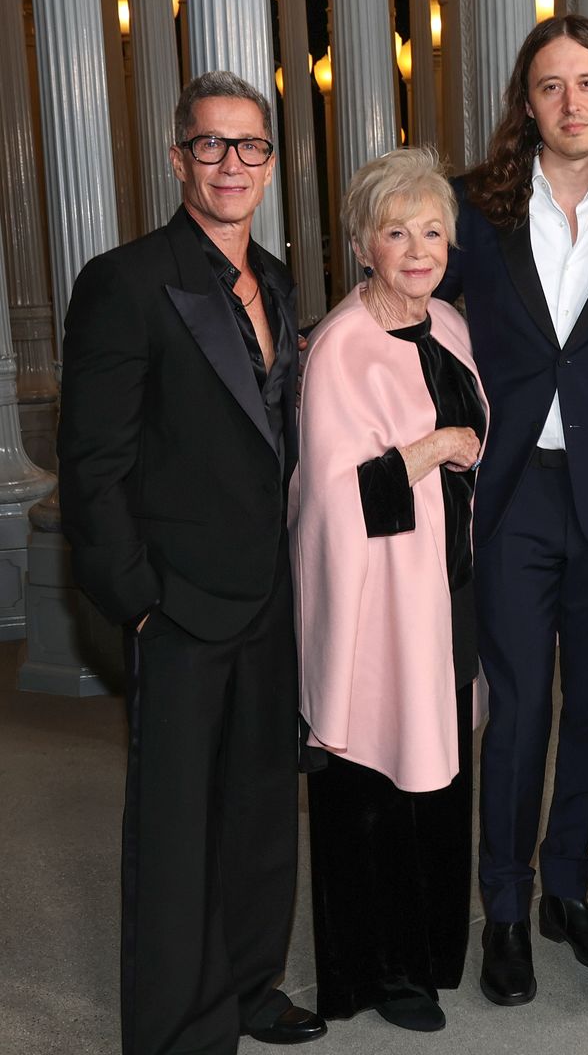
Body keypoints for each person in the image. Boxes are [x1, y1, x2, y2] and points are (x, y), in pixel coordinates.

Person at [58, 72, 325, 1053]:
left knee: (259, 812)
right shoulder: (125, 281)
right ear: (179, 160)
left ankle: (252, 987)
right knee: (174, 835)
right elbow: (94, 461)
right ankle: (179, 1030)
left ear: (269, 164)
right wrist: (135, 602)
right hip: (175, 605)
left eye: (249, 146)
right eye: (210, 146)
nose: (231, 164)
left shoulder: (281, 281)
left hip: (268, 595)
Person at [434, 14, 588, 1006]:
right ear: (525, 104)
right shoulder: (473, 213)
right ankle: (508, 910)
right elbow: (407, 309)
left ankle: (569, 884)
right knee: (519, 709)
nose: (570, 101)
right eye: (550, 85)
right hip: (514, 490)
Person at [289, 147, 487, 1034]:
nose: (419, 248)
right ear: (363, 243)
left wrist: (459, 448)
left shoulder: (448, 323)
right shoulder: (341, 345)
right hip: (378, 607)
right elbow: (335, 497)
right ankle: (378, 973)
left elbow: (475, 431)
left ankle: (435, 951)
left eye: (433, 231)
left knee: (438, 774)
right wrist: (435, 449)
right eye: (396, 231)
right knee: (374, 785)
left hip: (445, 591)